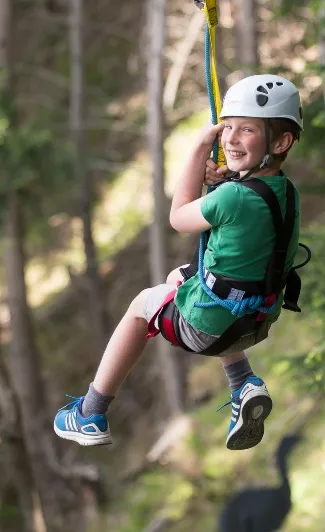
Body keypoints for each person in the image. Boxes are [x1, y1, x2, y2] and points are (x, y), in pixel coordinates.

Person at [53, 74, 304, 451]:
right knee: (178, 278)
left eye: (246, 130)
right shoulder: (284, 191)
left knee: (141, 307)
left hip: (211, 327)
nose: (232, 138)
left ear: (281, 141)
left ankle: (91, 411)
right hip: (258, 319)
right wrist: (221, 181)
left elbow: (179, 217)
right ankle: (243, 382)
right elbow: (241, 219)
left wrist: (199, 151)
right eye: (228, 128)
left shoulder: (233, 197)